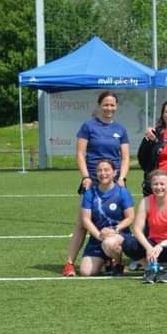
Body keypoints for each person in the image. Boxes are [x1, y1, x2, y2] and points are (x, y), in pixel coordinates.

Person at [63, 91, 131, 277]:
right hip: (93, 182)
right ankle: (69, 263)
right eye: (106, 105)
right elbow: (79, 154)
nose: (109, 108)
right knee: (82, 224)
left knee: (118, 220)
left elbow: (125, 157)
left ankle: (114, 259)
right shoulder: (88, 126)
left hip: (114, 183)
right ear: (99, 105)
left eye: (112, 105)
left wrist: (122, 178)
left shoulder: (120, 129)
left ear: (116, 107)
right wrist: (86, 177)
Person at [66, 159, 135, 277]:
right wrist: (99, 235)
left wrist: (115, 230)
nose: (103, 173)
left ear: (114, 172)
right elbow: (86, 220)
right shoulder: (90, 193)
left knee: (109, 244)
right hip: (98, 237)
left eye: (107, 170)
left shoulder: (122, 192)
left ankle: (117, 263)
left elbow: (130, 217)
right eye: (99, 171)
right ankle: (107, 260)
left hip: (119, 235)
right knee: (86, 272)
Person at [125, 168, 167, 283]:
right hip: (152, 246)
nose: (159, 187)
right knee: (128, 243)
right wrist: (148, 247)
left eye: (162, 184)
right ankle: (151, 267)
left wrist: (161, 245)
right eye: (155, 184)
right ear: (151, 186)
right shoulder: (146, 201)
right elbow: (137, 229)